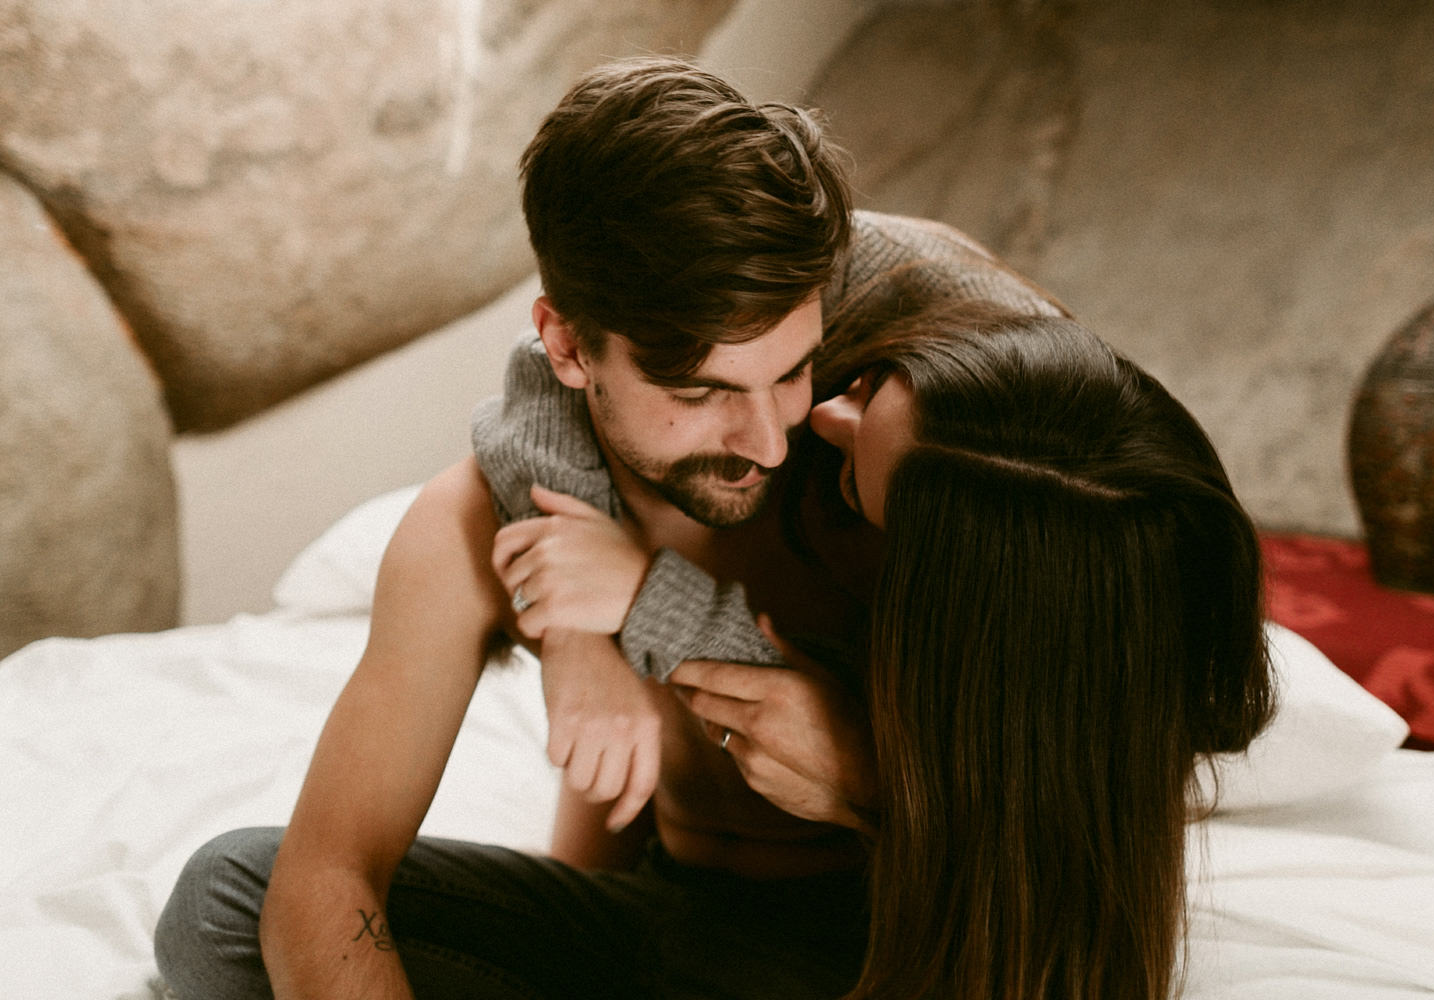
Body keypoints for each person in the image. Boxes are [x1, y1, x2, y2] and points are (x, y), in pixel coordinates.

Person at [152, 56, 1060, 1000]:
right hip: (664, 922)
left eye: (791, 371)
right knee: (226, 896)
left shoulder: (868, 481)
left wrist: (856, 770)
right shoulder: (474, 524)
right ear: (568, 348)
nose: (769, 441)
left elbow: (1049, 818)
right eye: (699, 391)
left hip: (883, 945)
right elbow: (329, 877)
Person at [671, 303, 1277, 1000]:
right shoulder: (911, 316)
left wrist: (876, 793)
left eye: (851, 487)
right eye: (868, 385)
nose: (820, 414)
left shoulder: (1060, 694)